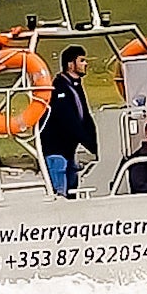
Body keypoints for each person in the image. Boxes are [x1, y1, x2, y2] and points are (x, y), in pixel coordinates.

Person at [39, 44, 96, 194]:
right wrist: (88, 142)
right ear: (71, 64)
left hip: (70, 150)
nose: (86, 64)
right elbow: (68, 120)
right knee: (60, 192)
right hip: (56, 149)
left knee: (73, 188)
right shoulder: (59, 89)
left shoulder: (76, 86)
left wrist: (95, 143)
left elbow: (85, 116)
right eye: (82, 60)